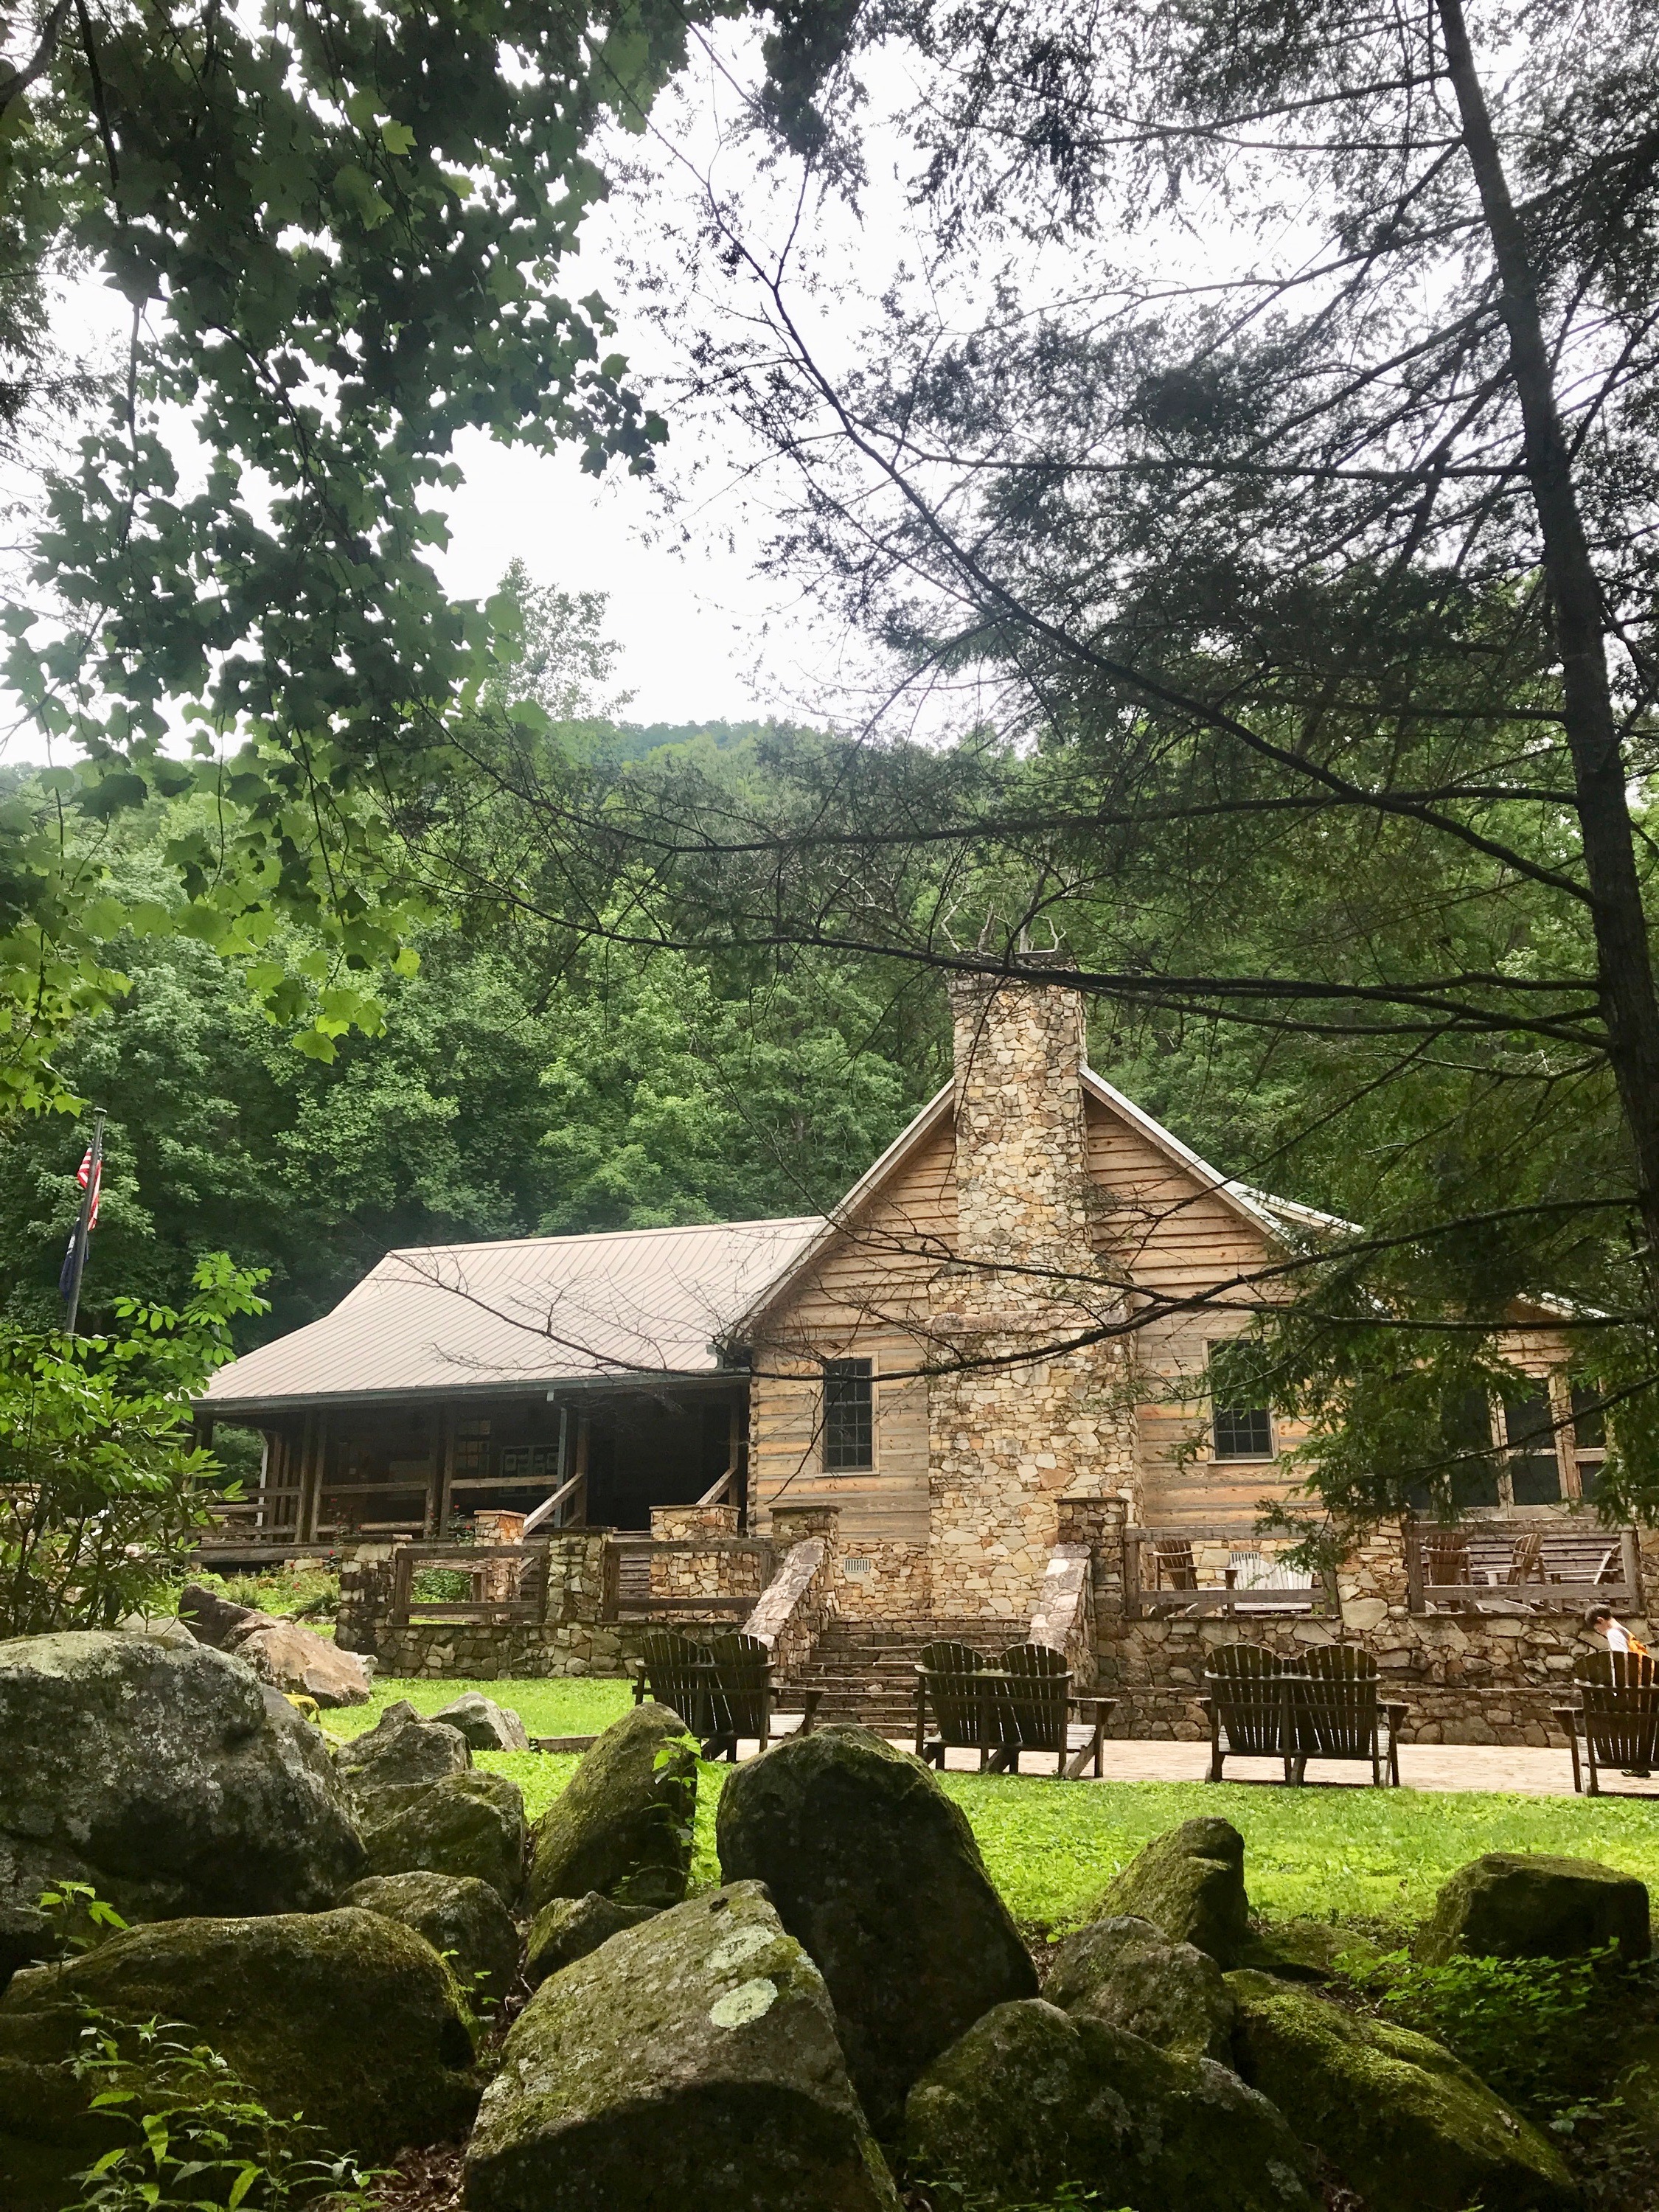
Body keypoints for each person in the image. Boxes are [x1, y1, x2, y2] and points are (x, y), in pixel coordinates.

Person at [1586, 1604, 1653, 1777]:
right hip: (1643, 1688)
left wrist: (1616, 1690)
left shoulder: (1614, 1633)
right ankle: (1639, 1764)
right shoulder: (1624, 1631)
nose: (1600, 1633)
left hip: (1631, 1690)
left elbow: (1623, 1662)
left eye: (1597, 1629)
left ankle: (1628, 1760)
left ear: (1601, 1621)